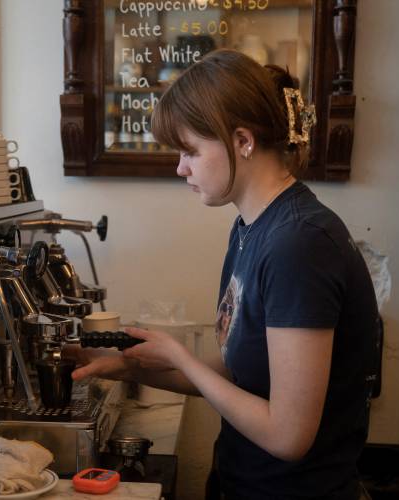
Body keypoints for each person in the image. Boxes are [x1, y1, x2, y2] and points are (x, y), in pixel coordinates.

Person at [64, 49, 379, 500]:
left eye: (190, 150)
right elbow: (241, 373)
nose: (180, 167)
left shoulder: (299, 244)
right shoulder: (252, 227)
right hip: (241, 481)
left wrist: (180, 355)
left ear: (243, 141)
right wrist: (130, 368)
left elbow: (289, 436)